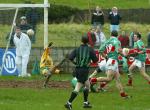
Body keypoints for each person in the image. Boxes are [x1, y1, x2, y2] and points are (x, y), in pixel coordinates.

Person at [90, 30, 130, 98]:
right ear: (117, 35)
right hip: (113, 61)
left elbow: (100, 50)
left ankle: (123, 94)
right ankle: (91, 80)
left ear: (111, 35)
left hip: (110, 61)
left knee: (118, 79)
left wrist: (106, 57)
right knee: (108, 79)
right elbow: (119, 51)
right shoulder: (117, 41)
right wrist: (125, 56)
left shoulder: (107, 41)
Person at [64, 35, 98, 110]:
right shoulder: (90, 49)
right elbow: (95, 60)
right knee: (78, 87)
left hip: (78, 70)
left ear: (81, 41)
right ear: (88, 41)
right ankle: (69, 103)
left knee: (88, 86)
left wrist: (76, 63)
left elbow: (70, 58)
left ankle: (85, 103)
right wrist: (90, 61)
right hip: (84, 70)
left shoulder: (77, 49)